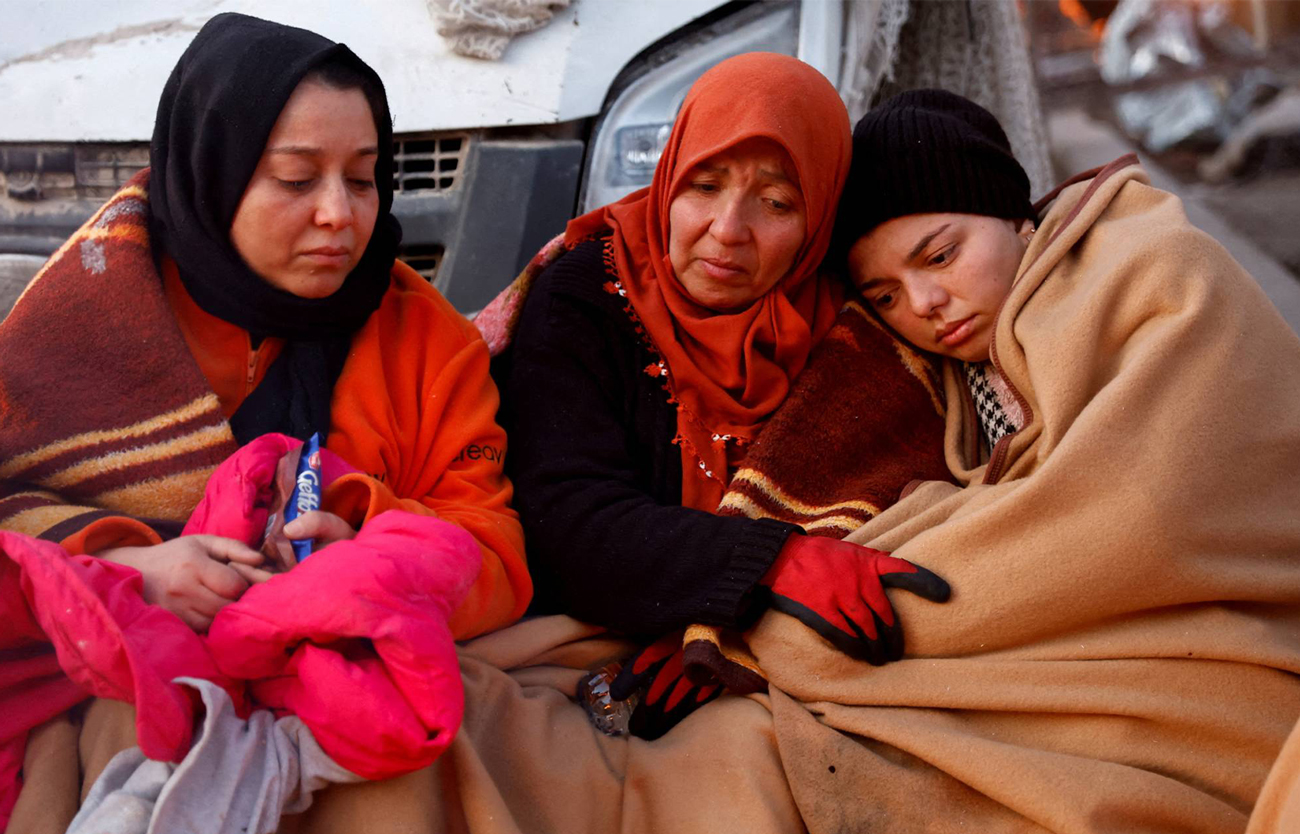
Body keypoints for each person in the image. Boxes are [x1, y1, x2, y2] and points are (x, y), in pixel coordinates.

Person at [0, 13, 530, 640]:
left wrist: (378, 559)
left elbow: (494, 550)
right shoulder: (87, 314)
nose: (339, 214)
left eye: (362, 179)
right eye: (296, 179)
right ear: (211, 176)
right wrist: (125, 568)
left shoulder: (426, 340)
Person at [497, 51, 949, 723]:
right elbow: (563, 522)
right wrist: (772, 567)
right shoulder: (586, 294)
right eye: (704, 185)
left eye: (775, 202)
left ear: (817, 220)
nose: (727, 230)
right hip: (591, 635)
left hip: (769, 650)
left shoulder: (850, 329)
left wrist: (730, 626)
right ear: (669, 175)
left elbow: (895, 502)